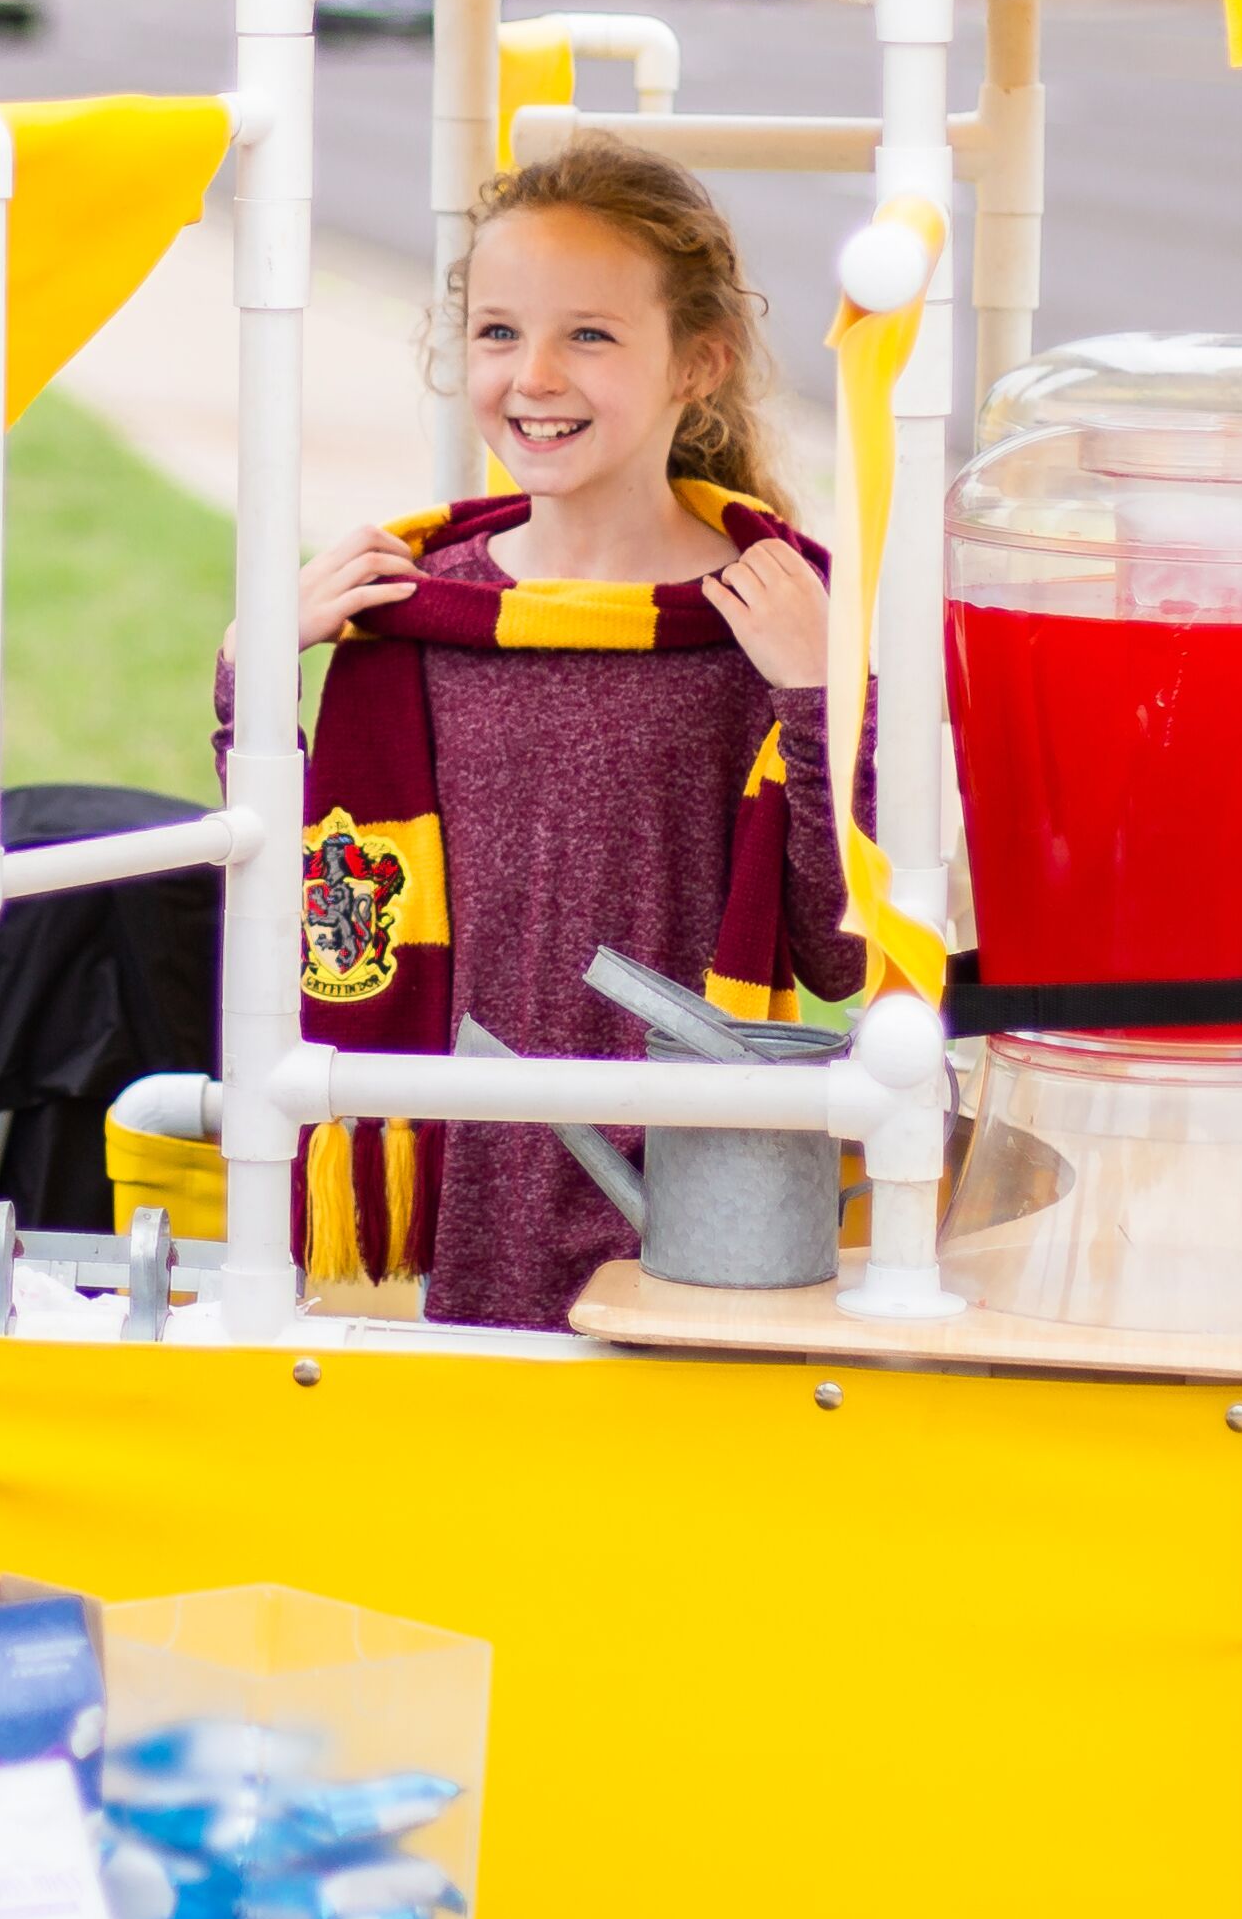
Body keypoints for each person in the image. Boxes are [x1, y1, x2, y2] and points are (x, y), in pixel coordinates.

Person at [261, 138, 870, 1331]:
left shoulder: (770, 617)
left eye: (589, 335)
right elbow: (302, 906)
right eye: (497, 332)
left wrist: (814, 700)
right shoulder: (409, 613)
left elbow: (839, 954)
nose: (534, 375)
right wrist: (256, 667)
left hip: (691, 1201)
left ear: (701, 361)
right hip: (443, 1197)